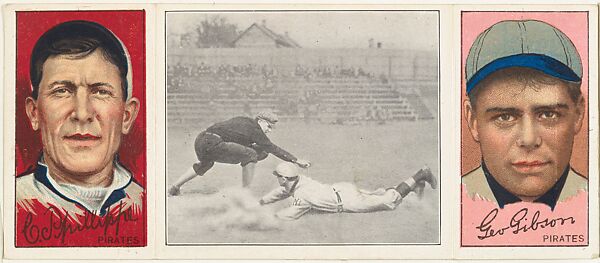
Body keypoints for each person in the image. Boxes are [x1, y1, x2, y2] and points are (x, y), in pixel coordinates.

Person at [17, 20, 143, 217]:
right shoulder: (10, 204)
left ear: (126, 116)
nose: (82, 114)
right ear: (34, 113)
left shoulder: (150, 205)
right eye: (62, 91)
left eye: (101, 92)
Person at [462, 20, 587, 210]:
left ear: (578, 114)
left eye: (548, 114)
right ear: (473, 121)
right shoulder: (447, 205)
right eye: (505, 117)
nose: (529, 139)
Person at [168, 111, 310, 195]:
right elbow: (272, 147)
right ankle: (244, 194)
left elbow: (233, 136)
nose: (269, 130)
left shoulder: (244, 122)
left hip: (201, 140)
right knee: (252, 154)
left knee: (205, 165)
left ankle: (175, 187)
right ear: (260, 121)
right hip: (214, 142)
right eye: (269, 126)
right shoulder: (255, 128)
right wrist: (296, 160)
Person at [259, 163, 436, 220]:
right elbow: (282, 192)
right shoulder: (300, 180)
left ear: (284, 178)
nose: (278, 179)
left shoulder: (302, 196)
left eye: (279, 177)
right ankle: (416, 186)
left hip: (347, 202)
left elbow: (289, 214)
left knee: (389, 202)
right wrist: (262, 202)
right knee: (378, 195)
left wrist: (269, 217)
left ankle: (421, 174)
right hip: (343, 188)